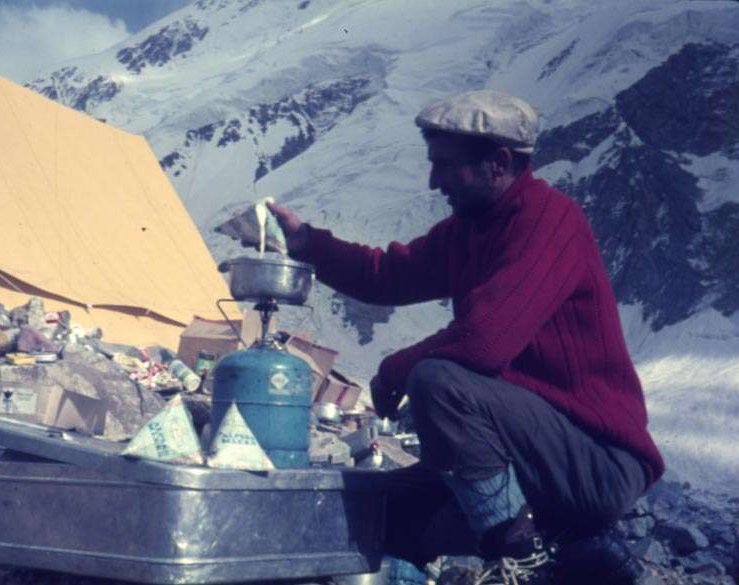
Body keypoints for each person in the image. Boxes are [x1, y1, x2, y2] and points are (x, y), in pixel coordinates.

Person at [262, 90, 664, 585]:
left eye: (445, 166)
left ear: (498, 163)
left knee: (438, 379)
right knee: (380, 510)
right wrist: (308, 244)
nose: (434, 182)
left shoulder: (550, 220)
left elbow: (483, 344)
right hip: (531, 455)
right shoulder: (469, 230)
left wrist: (395, 368)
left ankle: (524, 562)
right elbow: (385, 275)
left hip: (594, 461)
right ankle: (577, 553)